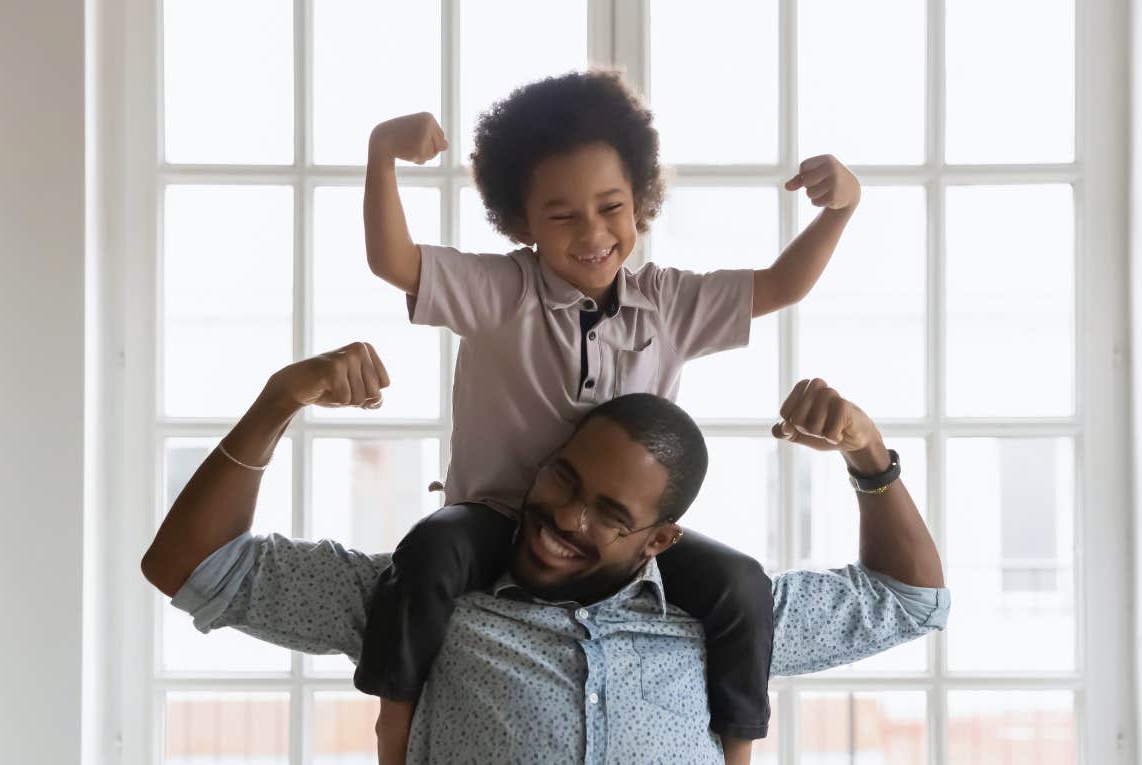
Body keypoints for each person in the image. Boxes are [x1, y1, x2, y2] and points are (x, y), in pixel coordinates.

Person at [362, 68, 862, 761]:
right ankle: (393, 727)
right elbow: (393, 260)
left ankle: (739, 751)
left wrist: (839, 210)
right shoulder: (499, 291)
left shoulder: (670, 302)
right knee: (429, 550)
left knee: (742, 583)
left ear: (640, 203)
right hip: (501, 522)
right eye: (562, 215)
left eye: (612, 206)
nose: (592, 232)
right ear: (521, 218)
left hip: (624, 540)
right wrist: (382, 152)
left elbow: (780, 284)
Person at [141, 342, 950, 764]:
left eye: (607, 512)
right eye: (563, 477)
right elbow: (190, 564)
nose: (563, 514)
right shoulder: (427, 595)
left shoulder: (723, 617)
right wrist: (281, 400)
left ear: (659, 539)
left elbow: (911, 600)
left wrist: (869, 455)